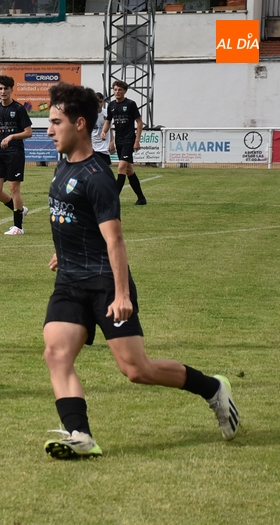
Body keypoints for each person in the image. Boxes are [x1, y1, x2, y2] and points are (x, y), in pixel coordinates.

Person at [41, 82, 239, 459]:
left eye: (55, 122)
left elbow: (115, 241)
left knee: (136, 369)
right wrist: (61, 250)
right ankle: (80, 434)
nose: (48, 130)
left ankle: (212, 388)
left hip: (103, 283)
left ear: (79, 124)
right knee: (56, 354)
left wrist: (121, 294)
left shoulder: (98, 178)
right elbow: (70, 217)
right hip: (69, 280)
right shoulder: (65, 161)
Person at [0, 75, 33, 235]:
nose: (3, 91)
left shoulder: (18, 109)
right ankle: (20, 209)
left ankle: (18, 226)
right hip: (0, 153)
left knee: (13, 188)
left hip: (15, 152)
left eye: (6, 88)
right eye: (0, 88)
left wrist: (12, 136)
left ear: (12, 89)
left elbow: (28, 132)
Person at [101, 80, 147, 205]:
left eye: (120, 90)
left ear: (125, 91)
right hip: (119, 139)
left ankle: (113, 199)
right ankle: (141, 198)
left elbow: (139, 122)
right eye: (115, 89)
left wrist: (137, 140)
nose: (117, 92)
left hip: (129, 139)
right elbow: (108, 121)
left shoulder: (131, 104)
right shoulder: (111, 106)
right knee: (128, 170)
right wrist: (104, 132)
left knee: (121, 167)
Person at [91, 92, 113, 168]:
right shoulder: (88, 114)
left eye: (100, 101)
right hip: (92, 145)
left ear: (103, 102)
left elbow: (110, 129)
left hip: (104, 146)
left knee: (106, 169)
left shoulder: (107, 113)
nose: (98, 104)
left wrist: (112, 142)